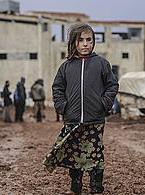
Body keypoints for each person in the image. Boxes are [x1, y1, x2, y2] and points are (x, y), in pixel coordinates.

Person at [43, 23, 119, 195]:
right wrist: (62, 106)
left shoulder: (101, 63)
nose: (85, 44)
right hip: (73, 120)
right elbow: (57, 88)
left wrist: (104, 103)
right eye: (81, 40)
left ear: (93, 42)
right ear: (73, 43)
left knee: (95, 156)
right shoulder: (66, 66)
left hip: (95, 120)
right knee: (74, 156)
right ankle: (75, 189)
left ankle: (96, 189)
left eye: (89, 40)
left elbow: (112, 85)